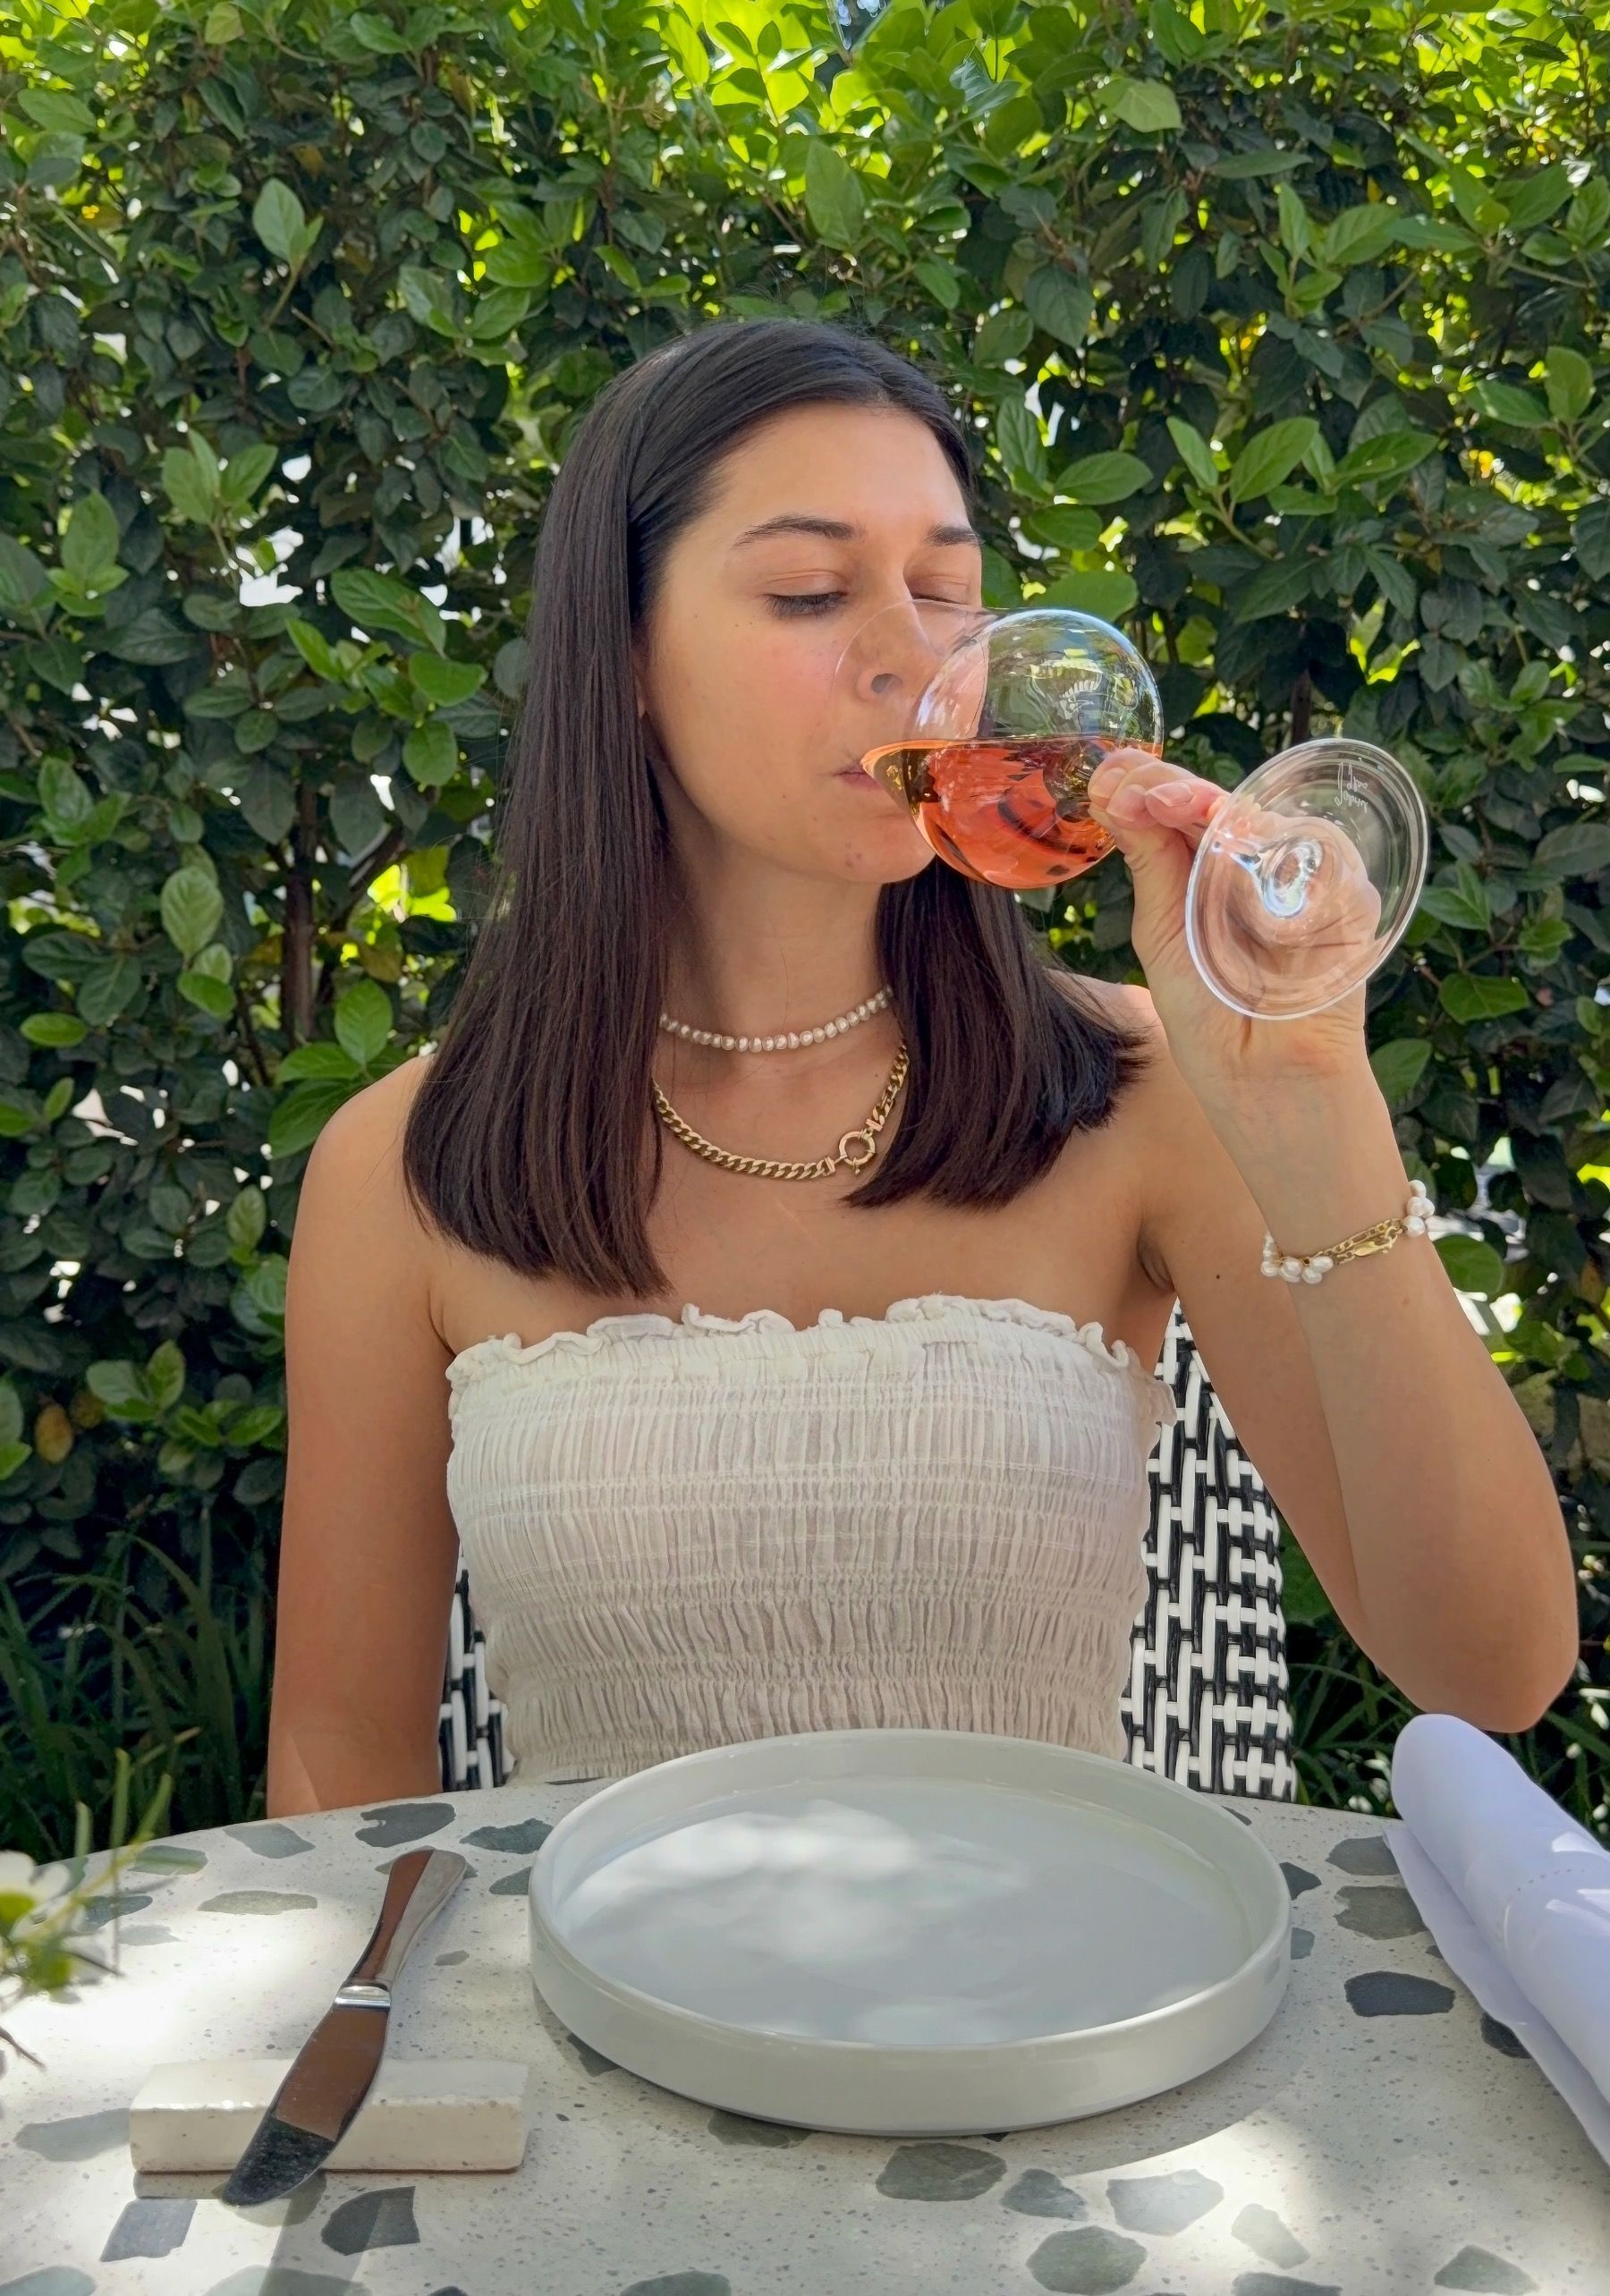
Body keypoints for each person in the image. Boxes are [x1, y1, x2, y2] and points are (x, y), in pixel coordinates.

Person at [265, 317, 1577, 1817]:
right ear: (622, 654)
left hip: (1057, 2021)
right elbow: (337, 1755)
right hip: (595, 2028)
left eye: (947, 593)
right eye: (813, 592)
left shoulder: (1137, 1087)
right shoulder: (409, 1160)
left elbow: (1496, 1667)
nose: (912, 656)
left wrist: (1303, 1088)